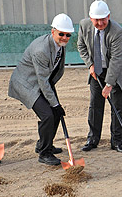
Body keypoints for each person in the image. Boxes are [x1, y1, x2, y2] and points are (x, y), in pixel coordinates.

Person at [8, 13, 74, 166]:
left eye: (68, 35)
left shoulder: (59, 46)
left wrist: (55, 103)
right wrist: (54, 103)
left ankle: (44, 144)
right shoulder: (41, 50)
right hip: (26, 83)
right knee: (48, 115)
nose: (64, 37)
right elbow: (42, 81)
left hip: (42, 81)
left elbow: (50, 76)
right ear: (53, 31)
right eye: (61, 34)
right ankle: (44, 154)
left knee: (56, 113)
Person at [77, 0, 122, 153]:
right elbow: (81, 46)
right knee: (95, 105)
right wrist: (90, 65)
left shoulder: (117, 32)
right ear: (90, 18)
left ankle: (117, 142)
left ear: (109, 16)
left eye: (103, 19)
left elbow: (116, 59)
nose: (100, 23)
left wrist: (109, 84)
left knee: (117, 107)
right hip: (97, 70)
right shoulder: (84, 25)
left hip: (117, 71)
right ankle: (92, 139)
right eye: (97, 20)